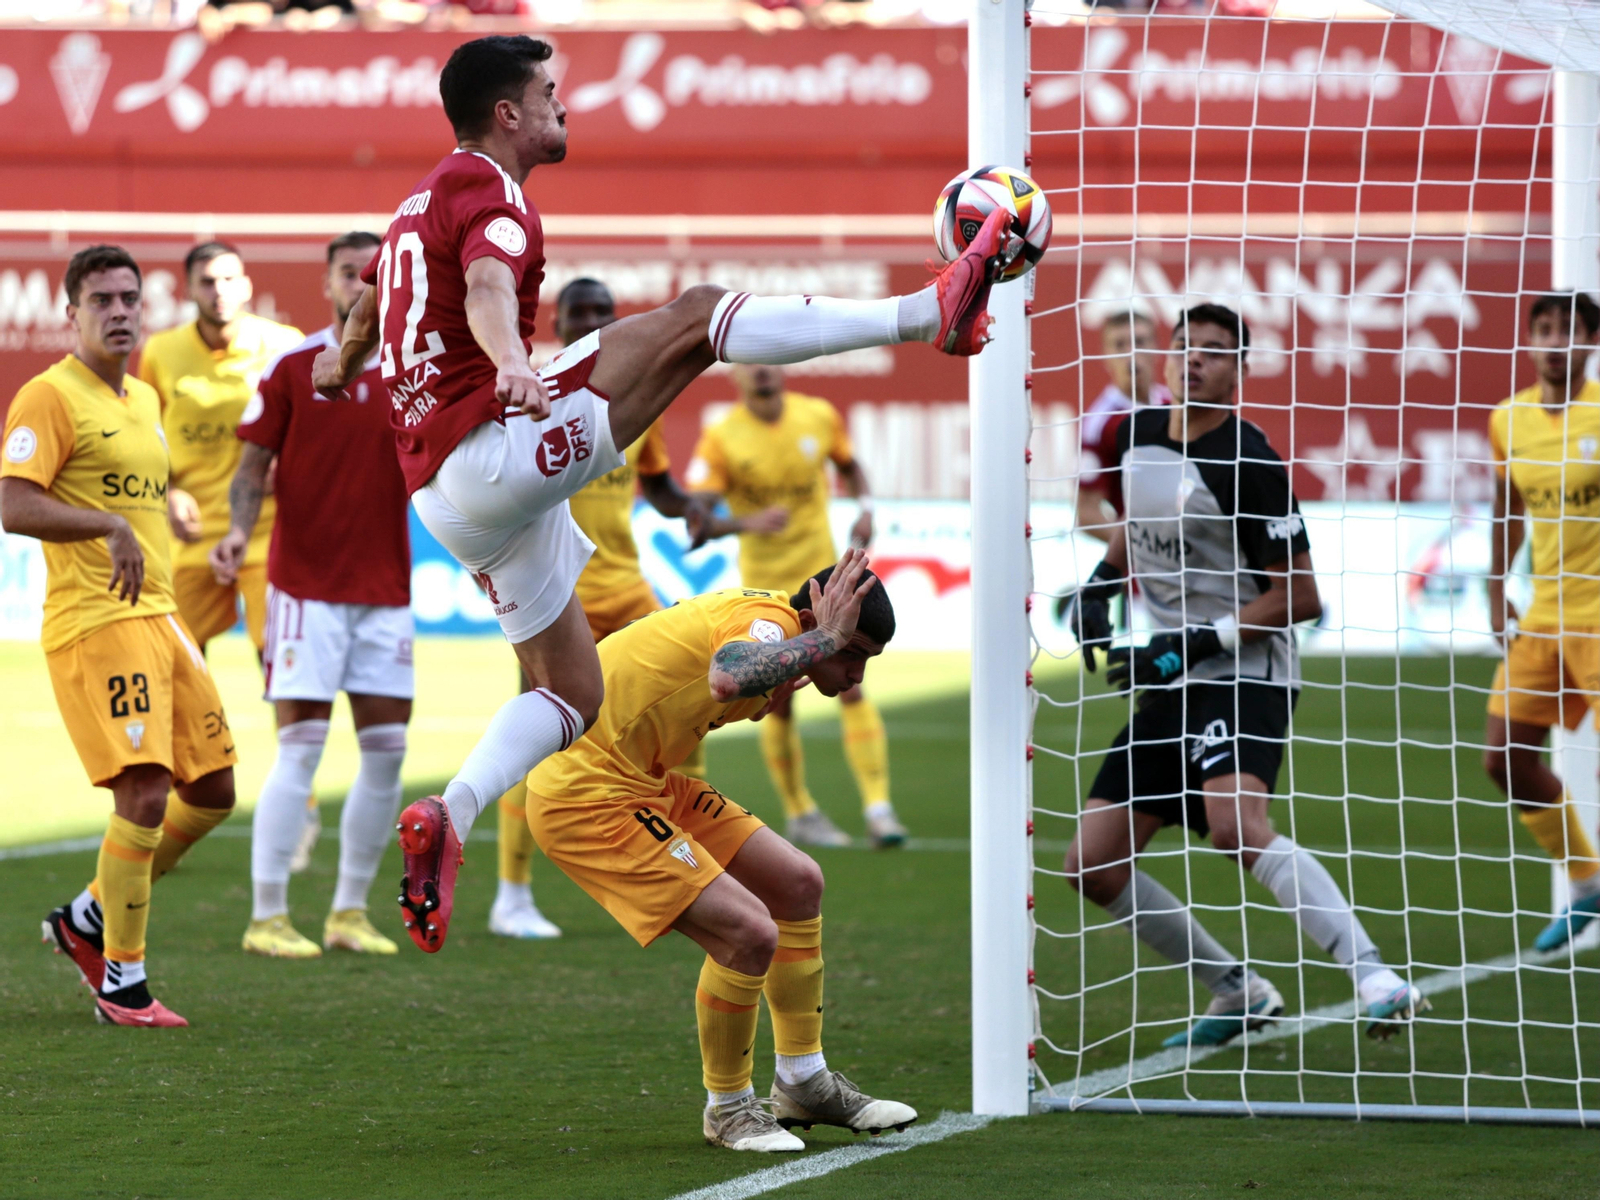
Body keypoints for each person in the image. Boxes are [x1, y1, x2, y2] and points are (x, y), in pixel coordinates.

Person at [309, 35, 1012, 952]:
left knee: (573, 694)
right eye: (550, 93)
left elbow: (371, 304)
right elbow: (486, 285)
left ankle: (455, 812)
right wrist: (515, 363)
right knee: (695, 318)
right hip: (490, 444)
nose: (566, 106)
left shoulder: (412, 207)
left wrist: (342, 359)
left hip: (446, 495)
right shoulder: (492, 190)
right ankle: (930, 313)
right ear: (507, 114)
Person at [1061, 303, 1425, 1046]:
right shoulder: (1132, 437)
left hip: (1246, 670)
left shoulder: (1250, 459)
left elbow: (1301, 596)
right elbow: (1142, 534)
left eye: (1216, 352)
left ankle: (1374, 976)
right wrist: (1101, 584)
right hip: (1174, 673)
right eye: (1185, 347)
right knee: (1091, 867)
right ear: (1166, 359)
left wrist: (1194, 644)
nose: (1196, 360)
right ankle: (1238, 990)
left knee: (1236, 827)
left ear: (1240, 371)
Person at [525, 548, 916, 1151]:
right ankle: (729, 1108)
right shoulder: (772, 627)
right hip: (587, 795)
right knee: (748, 933)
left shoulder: (779, 633)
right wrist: (830, 636)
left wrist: (830, 641)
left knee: (798, 882)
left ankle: (803, 1082)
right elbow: (728, 676)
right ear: (816, 622)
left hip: (646, 783)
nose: (858, 673)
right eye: (856, 654)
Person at [7, 245, 238, 1028]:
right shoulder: (49, 396)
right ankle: (122, 982)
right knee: (144, 789)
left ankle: (84, 918)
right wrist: (106, 524)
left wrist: (161, 509)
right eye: (100, 299)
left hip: (162, 615)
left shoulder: (141, 398)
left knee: (212, 791)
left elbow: (133, 483)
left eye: (129, 298)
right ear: (71, 313)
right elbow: (12, 502)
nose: (119, 312)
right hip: (95, 621)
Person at [490, 275, 716, 940]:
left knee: (694, 705)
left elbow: (661, 487)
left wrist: (690, 508)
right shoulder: (529, 393)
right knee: (533, 739)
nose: (592, 322)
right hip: (552, 596)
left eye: (603, 313)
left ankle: (692, 862)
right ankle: (511, 894)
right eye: (579, 313)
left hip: (627, 588)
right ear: (557, 322)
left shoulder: (634, 398)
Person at [210, 232, 414, 959]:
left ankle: (348, 913)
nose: (360, 286)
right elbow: (250, 464)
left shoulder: (414, 373)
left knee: (387, 754)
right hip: (305, 589)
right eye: (347, 274)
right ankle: (267, 916)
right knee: (301, 748)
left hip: (385, 588)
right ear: (328, 283)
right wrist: (238, 532)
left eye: (373, 276)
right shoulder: (294, 367)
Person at [688, 364, 905, 849]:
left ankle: (879, 808)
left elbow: (849, 465)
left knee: (850, 685)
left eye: (769, 359)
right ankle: (799, 811)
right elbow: (697, 521)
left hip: (822, 583)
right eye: (750, 363)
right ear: (735, 377)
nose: (762, 370)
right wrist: (744, 522)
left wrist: (866, 506)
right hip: (767, 596)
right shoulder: (722, 437)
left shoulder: (818, 416)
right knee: (776, 702)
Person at [1483, 291, 1600, 951]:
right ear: (1530, 341)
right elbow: (1508, 507)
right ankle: (1587, 883)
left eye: (1570, 330)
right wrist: (1495, 583)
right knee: (1505, 759)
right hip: (1546, 614)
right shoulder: (1509, 419)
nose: (1556, 342)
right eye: (1545, 330)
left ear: (1591, 342)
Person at [137, 240, 303, 655]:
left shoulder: (285, 345)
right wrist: (168, 491)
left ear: (247, 285)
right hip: (193, 534)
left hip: (271, 531)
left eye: (229, 279)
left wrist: (286, 461)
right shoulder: (161, 352)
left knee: (282, 665)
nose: (219, 291)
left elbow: (314, 433)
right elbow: (144, 437)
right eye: (208, 282)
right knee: (176, 661)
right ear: (189, 290)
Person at [1075, 310, 1172, 541]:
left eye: (1139, 342)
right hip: (1146, 564)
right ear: (1105, 355)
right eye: (1120, 345)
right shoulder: (1099, 423)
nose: (1132, 353)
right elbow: (1087, 514)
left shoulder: (1176, 405)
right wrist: (1145, 547)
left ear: (1157, 348)